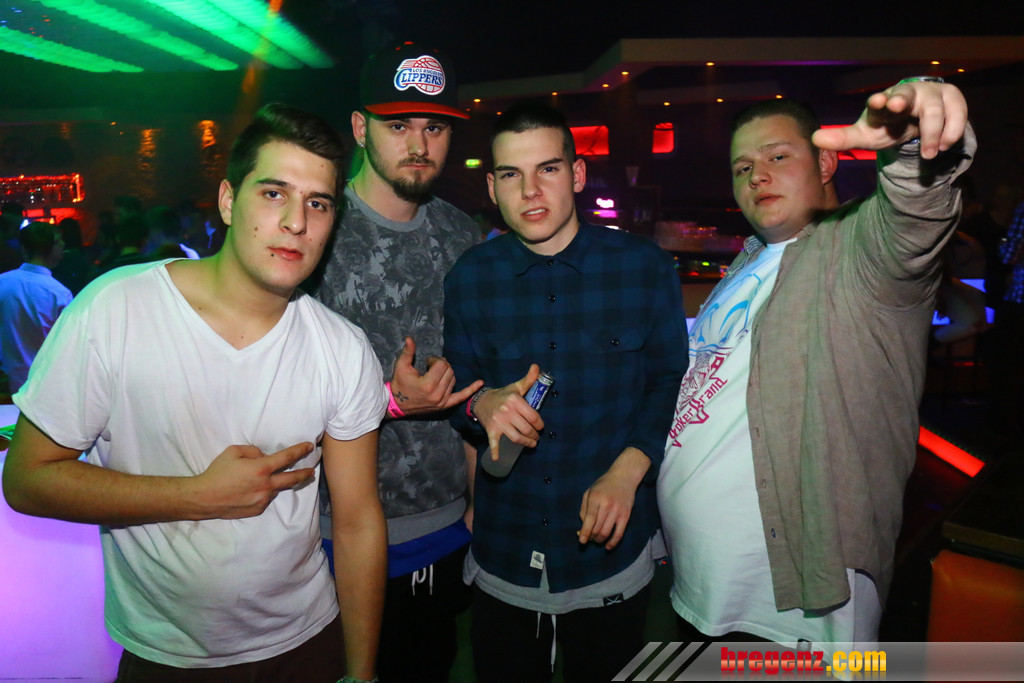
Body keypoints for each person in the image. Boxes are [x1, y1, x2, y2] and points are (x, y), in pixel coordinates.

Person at [2, 103, 388, 683]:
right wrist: (199, 495)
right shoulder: (116, 309)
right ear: (229, 201)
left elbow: (357, 521)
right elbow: (27, 480)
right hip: (166, 656)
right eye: (274, 193)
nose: (296, 222)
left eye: (318, 203)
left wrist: (361, 673)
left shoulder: (342, 347)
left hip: (306, 641)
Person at [657, 80, 973, 655]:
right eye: (742, 168)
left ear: (827, 162)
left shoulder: (859, 250)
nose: (756, 176)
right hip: (703, 579)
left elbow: (915, 216)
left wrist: (910, 147)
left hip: (794, 596)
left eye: (778, 157)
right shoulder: (750, 259)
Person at [443, 102, 688, 683]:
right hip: (506, 548)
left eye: (547, 169)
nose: (530, 190)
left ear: (576, 174)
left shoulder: (643, 266)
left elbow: (669, 379)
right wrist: (482, 404)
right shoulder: (470, 277)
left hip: (609, 555)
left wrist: (629, 469)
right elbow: (459, 390)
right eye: (511, 174)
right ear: (492, 187)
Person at [311, 42, 483, 683]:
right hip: (325, 533)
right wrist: (388, 400)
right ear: (360, 129)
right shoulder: (315, 228)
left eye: (434, 127)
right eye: (399, 125)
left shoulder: (463, 235)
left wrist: (480, 501)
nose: (419, 144)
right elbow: (267, 387)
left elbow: (475, 373)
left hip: (444, 528)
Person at [0, 221, 72, 392]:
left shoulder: (2, 282)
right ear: (53, 248)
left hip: (7, 382)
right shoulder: (58, 293)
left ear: (23, 249)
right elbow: (69, 346)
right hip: (46, 384)